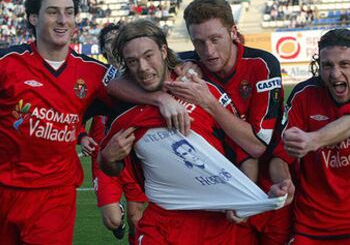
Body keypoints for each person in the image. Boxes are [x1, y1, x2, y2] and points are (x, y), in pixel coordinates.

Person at [0, 0, 189, 244]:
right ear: (33, 17)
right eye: (53, 12)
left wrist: (162, 97)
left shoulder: (92, 71)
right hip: (2, 192)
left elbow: (128, 85)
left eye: (69, 13)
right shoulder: (2, 62)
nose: (63, 20)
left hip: (54, 196)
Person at [99, 19, 289, 245]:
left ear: (163, 51)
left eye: (148, 56)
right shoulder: (123, 110)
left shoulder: (201, 90)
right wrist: (108, 158)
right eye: (132, 61)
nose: (143, 67)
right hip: (165, 223)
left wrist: (243, 199)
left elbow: (244, 152)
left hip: (220, 222)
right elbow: (113, 165)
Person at [165, 0, 294, 244]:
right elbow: (118, 79)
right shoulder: (186, 64)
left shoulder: (262, 65)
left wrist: (209, 102)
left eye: (215, 39)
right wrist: (163, 98)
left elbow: (257, 145)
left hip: (272, 188)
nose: (209, 52)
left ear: (233, 32)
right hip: (221, 194)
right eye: (199, 43)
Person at [79, 23, 147, 244]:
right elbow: (76, 113)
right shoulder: (96, 80)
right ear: (104, 50)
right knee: (113, 220)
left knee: (138, 218)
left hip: (135, 158)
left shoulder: (143, 77)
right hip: (104, 156)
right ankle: (119, 222)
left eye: (119, 39)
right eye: (109, 42)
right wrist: (82, 135)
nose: (114, 44)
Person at [281, 28, 350, 244]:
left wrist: (313, 140)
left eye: (345, 64)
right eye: (327, 65)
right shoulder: (304, 95)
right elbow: (281, 153)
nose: (335, 74)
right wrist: (283, 180)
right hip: (313, 224)